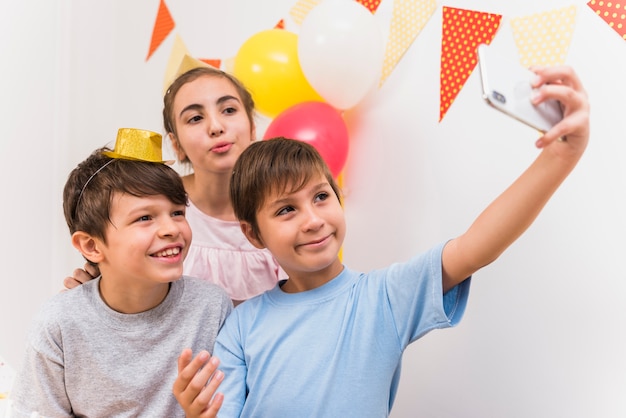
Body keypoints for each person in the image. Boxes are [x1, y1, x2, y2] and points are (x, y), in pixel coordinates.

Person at [173, 64, 590, 417]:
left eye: (321, 197)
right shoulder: (240, 326)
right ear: (253, 233)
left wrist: (559, 157)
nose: (312, 220)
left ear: (340, 199)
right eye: (286, 210)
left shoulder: (384, 298)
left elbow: (476, 246)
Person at [10, 128, 231, 417]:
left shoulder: (211, 307)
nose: (171, 228)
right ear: (91, 245)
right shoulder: (59, 325)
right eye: (144, 217)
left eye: (177, 212)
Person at [64, 56, 286, 305]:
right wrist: (96, 289)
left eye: (229, 110)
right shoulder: (155, 206)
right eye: (195, 118)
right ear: (176, 144)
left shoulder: (286, 207)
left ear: (253, 128)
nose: (216, 126)